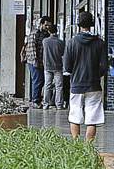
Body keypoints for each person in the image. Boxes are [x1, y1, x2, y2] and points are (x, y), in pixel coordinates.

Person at [63, 11, 108, 143]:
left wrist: (75, 73)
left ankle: (76, 146)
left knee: (75, 115)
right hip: (94, 85)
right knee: (92, 118)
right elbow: (104, 67)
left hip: (76, 84)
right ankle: (88, 147)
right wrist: (95, 74)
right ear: (92, 24)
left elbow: (67, 67)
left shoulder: (71, 43)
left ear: (78, 24)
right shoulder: (100, 43)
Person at [21, 15, 51, 108]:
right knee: (37, 80)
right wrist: (35, 61)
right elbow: (31, 48)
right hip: (34, 61)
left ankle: (35, 99)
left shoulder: (47, 34)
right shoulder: (34, 34)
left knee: (39, 81)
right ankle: (35, 100)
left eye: (49, 25)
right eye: (46, 25)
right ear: (41, 24)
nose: (47, 27)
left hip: (42, 61)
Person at [42, 22, 66, 110]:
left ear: (49, 31)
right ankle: (59, 105)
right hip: (58, 66)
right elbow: (63, 54)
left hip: (47, 66)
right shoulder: (61, 42)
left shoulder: (45, 41)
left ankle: (45, 104)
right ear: (57, 31)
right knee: (59, 86)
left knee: (47, 85)